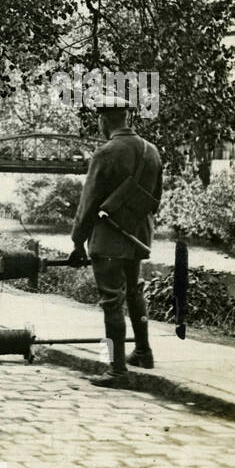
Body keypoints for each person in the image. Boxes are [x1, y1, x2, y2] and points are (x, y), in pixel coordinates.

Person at [69, 99, 163, 388]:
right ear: (126, 118)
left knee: (112, 301)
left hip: (109, 239)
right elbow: (155, 199)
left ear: (104, 120)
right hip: (138, 236)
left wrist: (77, 242)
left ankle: (117, 369)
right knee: (134, 292)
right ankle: (144, 353)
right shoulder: (152, 151)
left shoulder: (106, 153)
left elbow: (88, 203)